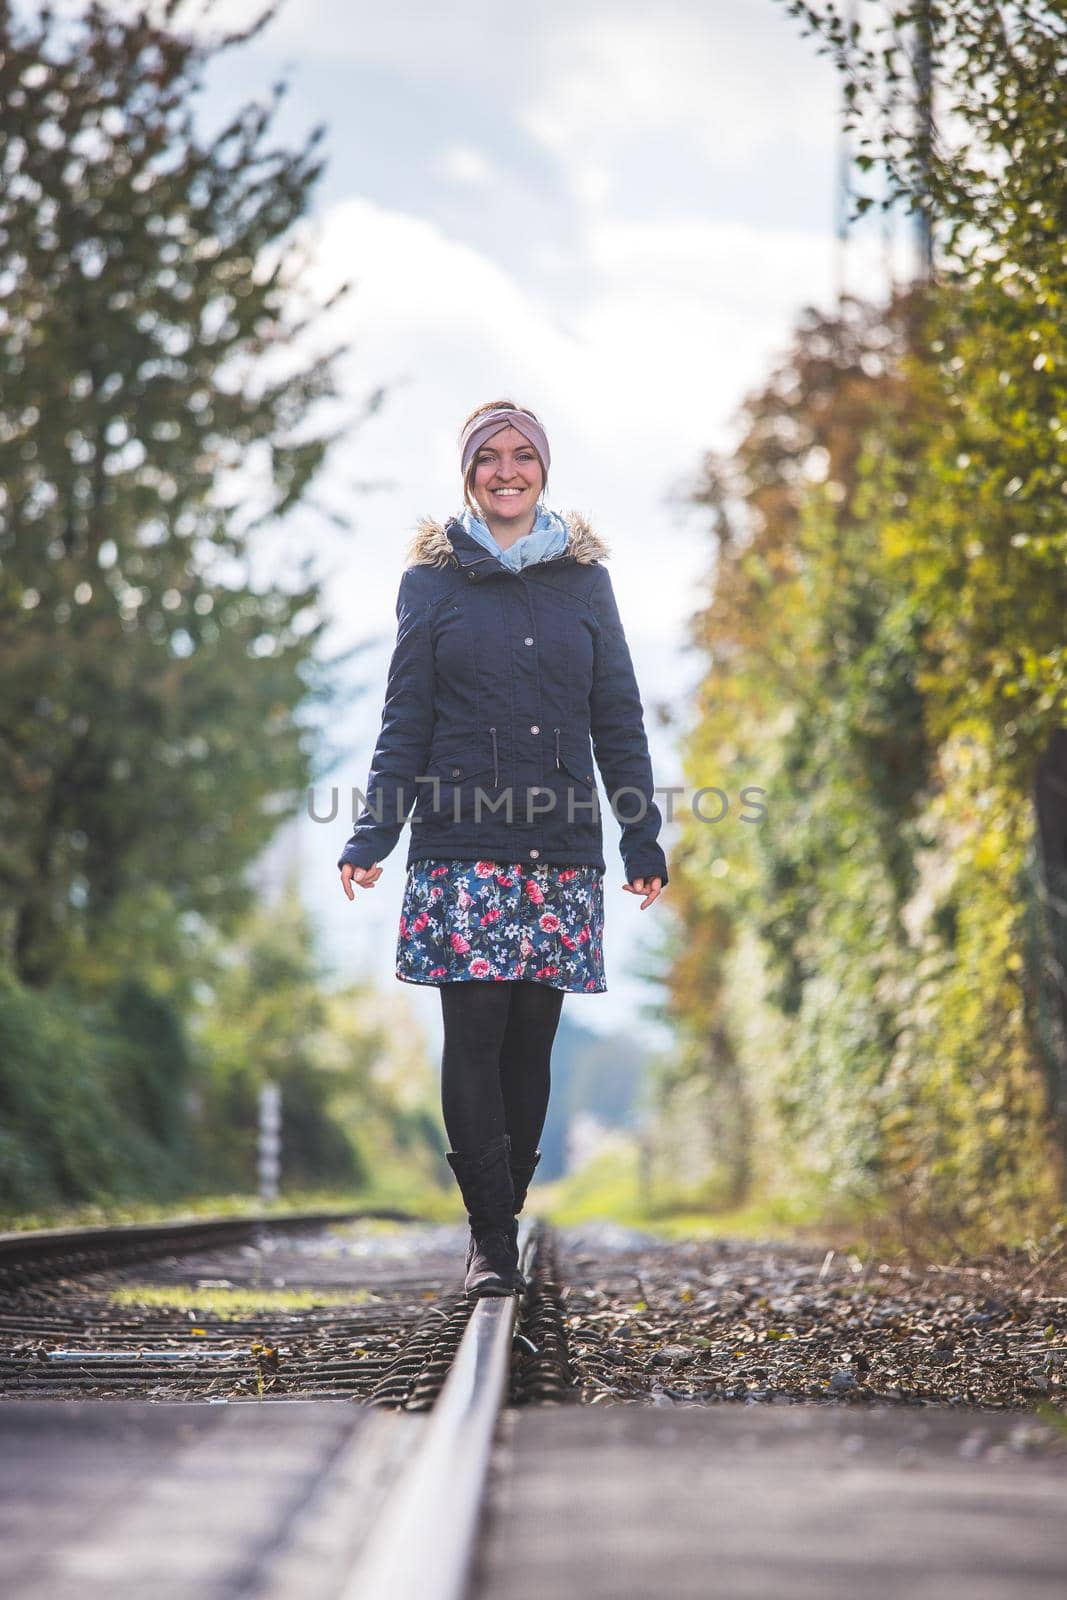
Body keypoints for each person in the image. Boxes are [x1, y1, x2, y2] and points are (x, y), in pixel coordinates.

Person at [337, 400, 669, 1298]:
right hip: (459, 843)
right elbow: (405, 719)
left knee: (531, 1041)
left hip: (559, 846)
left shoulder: (585, 584)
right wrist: (374, 832)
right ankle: (489, 1237)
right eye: (490, 457)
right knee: (473, 1028)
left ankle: (505, 1201)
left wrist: (641, 834)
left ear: (543, 470)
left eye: (523, 456)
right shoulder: (430, 585)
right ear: (468, 474)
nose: (507, 470)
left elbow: (617, 718)